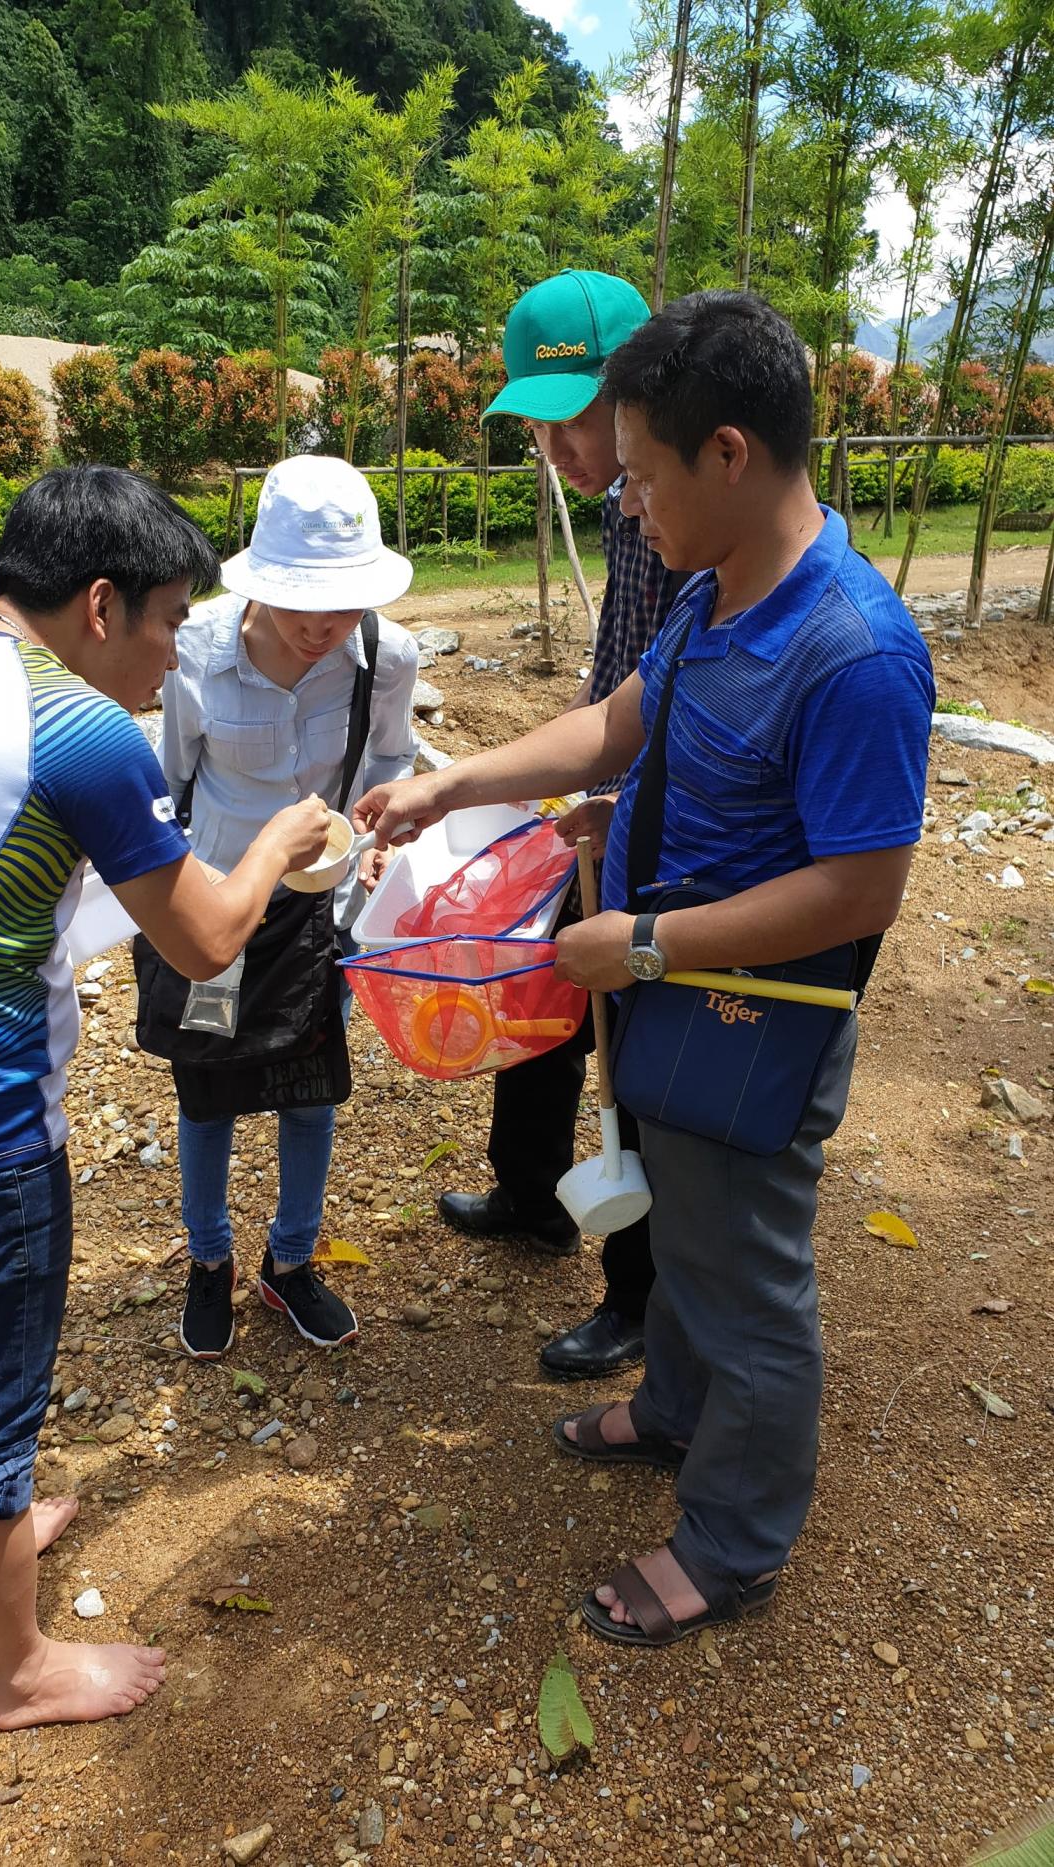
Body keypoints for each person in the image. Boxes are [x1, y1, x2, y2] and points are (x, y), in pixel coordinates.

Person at [356, 291, 935, 1647]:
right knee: (680, 1225)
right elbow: (625, 719)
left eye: (646, 473)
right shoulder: (716, 588)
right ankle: (674, 1408)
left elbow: (863, 887)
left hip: (752, 1012)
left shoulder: (852, 648)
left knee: (749, 1276)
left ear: (727, 454)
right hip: (673, 991)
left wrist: (655, 940)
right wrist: (457, 788)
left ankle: (734, 1540)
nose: (628, 505)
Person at [0, 466, 332, 1729]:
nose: (172, 654)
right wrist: (275, 843)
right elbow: (206, 938)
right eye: (164, 621)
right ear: (100, 604)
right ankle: (19, 1667)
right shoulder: (82, 730)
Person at [437, 268, 684, 1383]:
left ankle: (635, 1293)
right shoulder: (626, 510)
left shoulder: (678, 513)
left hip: (675, 832)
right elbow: (614, 695)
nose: (557, 452)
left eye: (569, 422)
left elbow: (655, 710)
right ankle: (529, 1192)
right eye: (535, 429)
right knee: (544, 981)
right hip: (615, 797)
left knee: (630, 1053)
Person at [159, 454, 419, 1360]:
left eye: (342, 603)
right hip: (216, 909)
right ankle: (209, 1259)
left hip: (326, 915)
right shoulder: (192, 650)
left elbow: (392, 759)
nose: (323, 626)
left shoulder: (385, 655)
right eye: (305, 601)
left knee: (313, 1090)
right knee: (211, 1093)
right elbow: (169, 783)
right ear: (260, 583)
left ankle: (292, 1258)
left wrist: (378, 827)